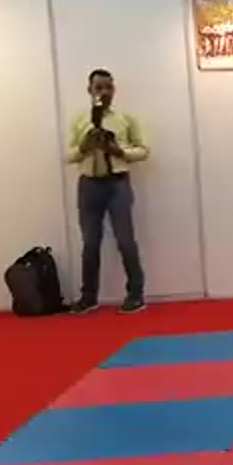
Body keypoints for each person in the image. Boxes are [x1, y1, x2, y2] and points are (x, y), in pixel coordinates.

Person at [64, 69, 149, 314]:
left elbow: (144, 150)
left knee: (125, 240)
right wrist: (84, 147)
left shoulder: (125, 119)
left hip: (117, 183)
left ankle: (136, 294)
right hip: (89, 185)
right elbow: (67, 155)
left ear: (114, 89)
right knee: (90, 243)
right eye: (98, 87)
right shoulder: (81, 120)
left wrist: (120, 152)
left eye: (108, 87)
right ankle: (88, 297)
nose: (103, 92)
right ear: (89, 90)